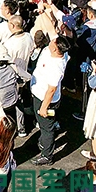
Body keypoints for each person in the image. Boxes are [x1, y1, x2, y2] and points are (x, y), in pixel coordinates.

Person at [31, 34, 70, 165]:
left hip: (45, 99)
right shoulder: (55, 52)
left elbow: (51, 89)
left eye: (53, 41)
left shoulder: (56, 67)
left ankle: (47, 155)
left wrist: (44, 107)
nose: (51, 40)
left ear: (55, 48)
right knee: (45, 124)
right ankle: (45, 142)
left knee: (46, 127)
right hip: (39, 94)